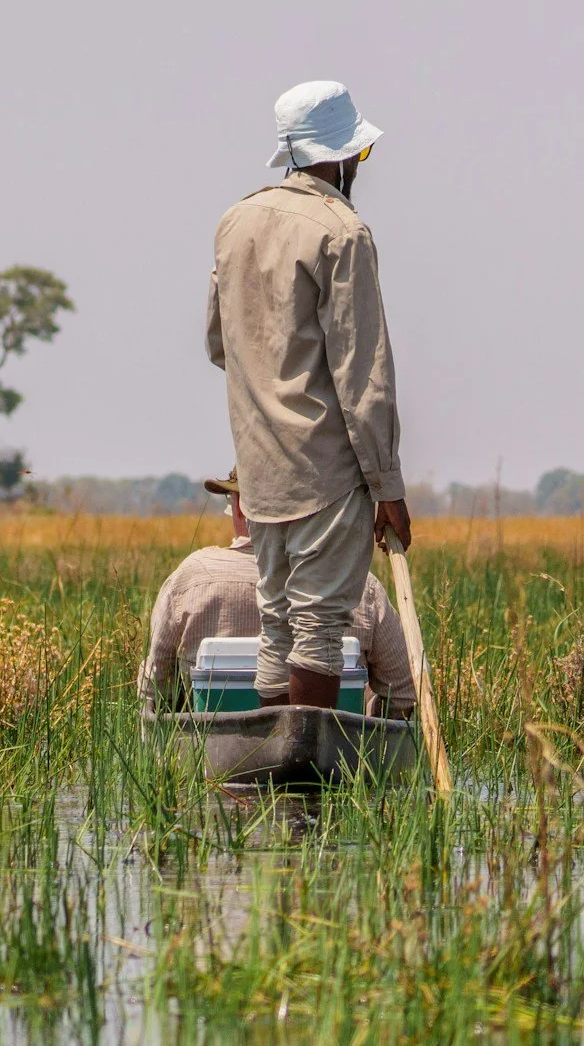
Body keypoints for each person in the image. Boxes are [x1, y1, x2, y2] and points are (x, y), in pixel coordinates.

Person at [206, 80, 410, 710]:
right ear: (343, 156)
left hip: (262, 472)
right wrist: (389, 489)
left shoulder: (235, 222)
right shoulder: (343, 232)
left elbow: (219, 345)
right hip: (327, 469)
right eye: (361, 156)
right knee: (320, 628)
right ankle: (304, 782)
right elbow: (364, 376)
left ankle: (267, 785)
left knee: (278, 625)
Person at [139, 475, 416, 716]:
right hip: (336, 759)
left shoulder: (191, 577)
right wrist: (366, 723)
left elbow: (155, 689)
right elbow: (404, 694)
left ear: (241, 508)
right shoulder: (361, 586)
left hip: (212, 757)